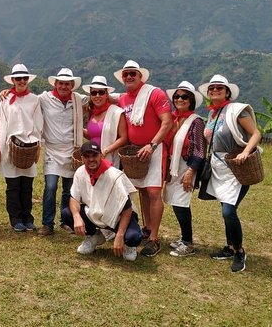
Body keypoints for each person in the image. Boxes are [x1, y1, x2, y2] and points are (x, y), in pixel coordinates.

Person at [198, 74, 261, 272]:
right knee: (226, 208)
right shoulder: (212, 114)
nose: (215, 90)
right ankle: (229, 247)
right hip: (219, 167)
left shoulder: (236, 111)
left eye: (219, 88)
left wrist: (245, 152)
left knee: (228, 211)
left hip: (236, 166)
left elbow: (256, 133)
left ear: (227, 92)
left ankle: (239, 251)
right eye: (212, 88)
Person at [114, 60, 172, 257]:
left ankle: (154, 238)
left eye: (133, 73)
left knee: (154, 192)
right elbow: (106, 99)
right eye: (126, 74)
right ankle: (147, 228)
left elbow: (167, 122)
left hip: (153, 149)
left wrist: (152, 145)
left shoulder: (155, 94)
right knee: (142, 192)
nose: (129, 76)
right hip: (134, 152)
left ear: (141, 76)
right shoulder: (123, 99)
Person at [60, 142, 142, 261]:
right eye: (87, 156)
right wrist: (77, 216)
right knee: (67, 214)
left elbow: (127, 209)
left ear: (101, 156)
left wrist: (119, 235)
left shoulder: (114, 175)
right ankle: (94, 237)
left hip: (117, 217)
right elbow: (74, 198)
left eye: (94, 155)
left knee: (133, 237)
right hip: (95, 214)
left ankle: (128, 245)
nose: (91, 159)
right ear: (82, 158)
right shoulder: (80, 172)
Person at [0, 64, 43, 232]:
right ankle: (15, 219)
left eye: (24, 78)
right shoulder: (5, 99)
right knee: (13, 184)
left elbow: (38, 125)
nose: (21, 81)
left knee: (27, 185)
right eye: (18, 78)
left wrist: (38, 148)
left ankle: (27, 217)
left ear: (28, 80)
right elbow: (0, 123)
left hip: (28, 145)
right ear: (12, 80)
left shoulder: (34, 100)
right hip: (9, 145)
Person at [37, 68, 84, 236]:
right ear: (55, 84)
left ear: (72, 85)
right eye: (61, 83)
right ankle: (47, 223)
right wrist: (7, 92)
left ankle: (66, 221)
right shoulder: (44, 98)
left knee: (69, 189)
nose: (64, 86)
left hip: (72, 149)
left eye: (67, 83)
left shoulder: (77, 100)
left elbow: (99, 99)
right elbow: (25, 100)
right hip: (52, 150)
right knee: (50, 187)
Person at [163, 81, 206, 257]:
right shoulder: (172, 119)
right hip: (173, 164)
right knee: (175, 201)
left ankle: (188, 243)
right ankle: (184, 237)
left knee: (181, 202)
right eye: (177, 96)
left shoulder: (196, 122)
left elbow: (200, 149)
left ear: (191, 100)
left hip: (186, 165)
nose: (180, 99)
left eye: (184, 96)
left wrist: (191, 171)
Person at [82, 75, 128, 168]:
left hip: (109, 157)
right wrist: (78, 128)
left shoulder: (116, 112)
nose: (97, 96)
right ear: (90, 96)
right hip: (92, 159)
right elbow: (92, 135)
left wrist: (106, 150)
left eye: (101, 92)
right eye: (94, 93)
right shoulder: (92, 113)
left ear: (106, 95)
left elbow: (123, 138)